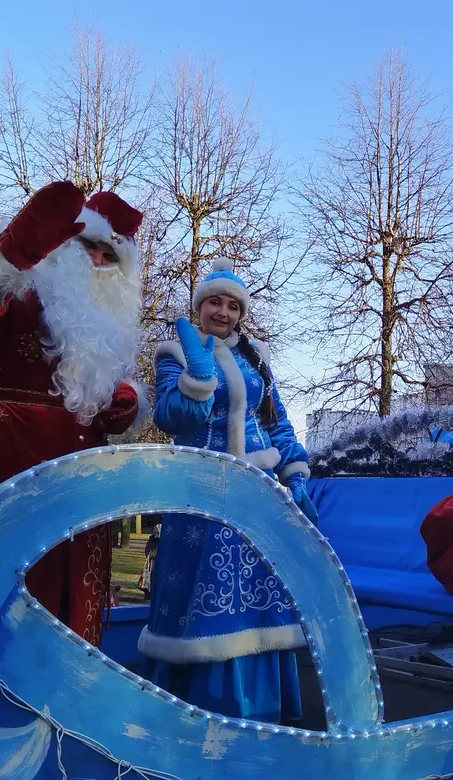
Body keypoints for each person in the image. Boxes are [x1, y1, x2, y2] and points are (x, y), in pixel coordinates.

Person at [0, 180, 146, 647]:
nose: (98, 261)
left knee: (66, 619)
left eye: (111, 256)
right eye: (88, 247)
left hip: (77, 483)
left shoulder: (108, 327)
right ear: (64, 241)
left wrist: (123, 402)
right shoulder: (20, 280)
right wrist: (11, 252)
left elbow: (107, 404)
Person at [138, 257, 318, 723]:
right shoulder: (173, 353)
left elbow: (276, 422)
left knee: (260, 604)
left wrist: (296, 473)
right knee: (201, 597)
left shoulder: (257, 358)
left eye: (233, 306)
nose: (223, 312)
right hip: (200, 493)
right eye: (214, 302)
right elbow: (169, 417)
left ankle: (261, 711)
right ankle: (198, 710)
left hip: (257, 492)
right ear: (199, 307)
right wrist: (198, 381)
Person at [138, 524, 162, 600]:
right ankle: (149, 596)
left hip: (160, 565)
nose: (158, 534)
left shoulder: (163, 541)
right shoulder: (151, 541)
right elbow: (148, 553)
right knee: (150, 581)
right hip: (152, 565)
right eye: (157, 533)